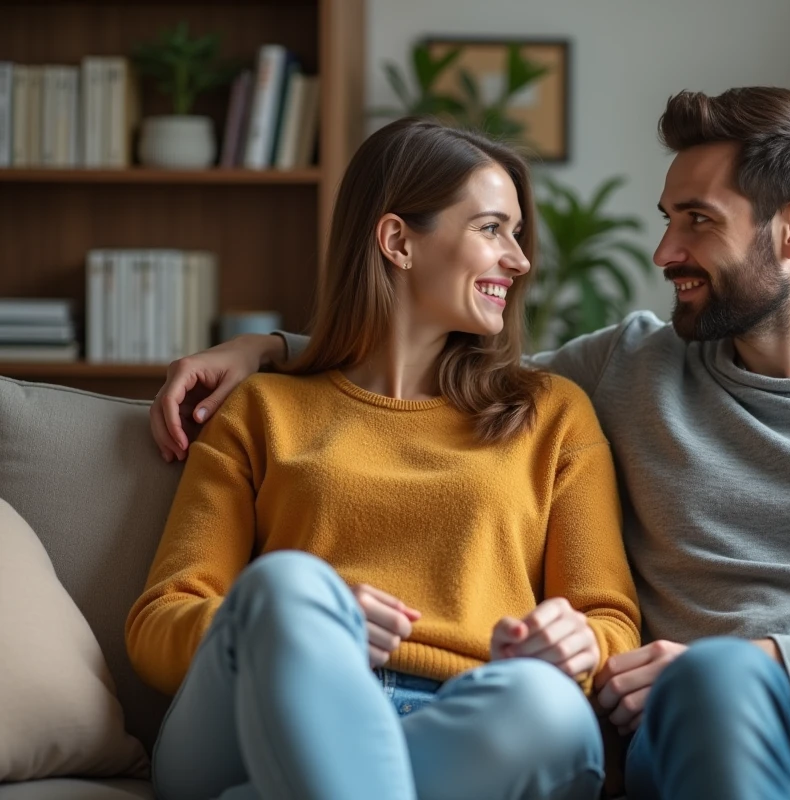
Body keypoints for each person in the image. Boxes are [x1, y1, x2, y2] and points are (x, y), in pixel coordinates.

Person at [148, 88, 790, 800]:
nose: (664, 250)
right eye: (667, 217)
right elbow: (419, 365)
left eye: (696, 221)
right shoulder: (632, 364)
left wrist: (756, 655)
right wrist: (276, 350)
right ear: (396, 238)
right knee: (710, 682)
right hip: (716, 719)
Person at [127, 117, 640, 800]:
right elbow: (159, 622)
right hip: (265, 717)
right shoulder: (260, 409)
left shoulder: (551, 414)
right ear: (398, 241)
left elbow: (611, 622)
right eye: (492, 229)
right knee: (287, 585)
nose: (519, 260)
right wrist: (303, 623)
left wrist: (580, 643)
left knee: (548, 709)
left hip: (465, 720)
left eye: (517, 234)